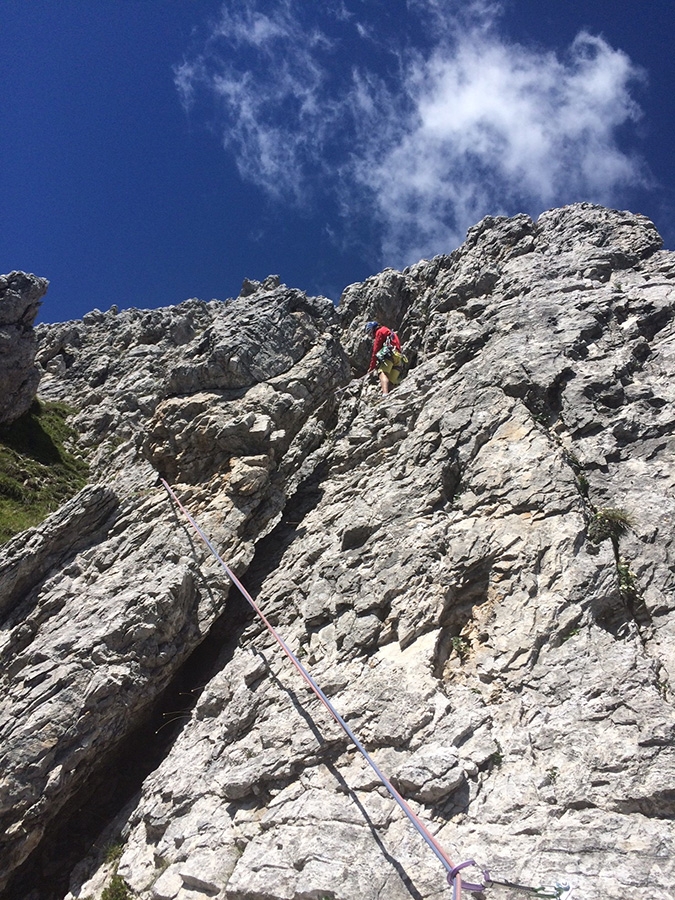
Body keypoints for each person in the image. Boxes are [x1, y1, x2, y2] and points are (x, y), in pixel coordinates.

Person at [365, 320, 404, 395]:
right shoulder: (390, 332)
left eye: (370, 334)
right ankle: (390, 396)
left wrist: (372, 367)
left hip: (390, 355)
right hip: (398, 357)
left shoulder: (379, 332)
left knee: (382, 372)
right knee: (390, 382)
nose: (371, 336)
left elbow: (375, 351)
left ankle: (385, 394)